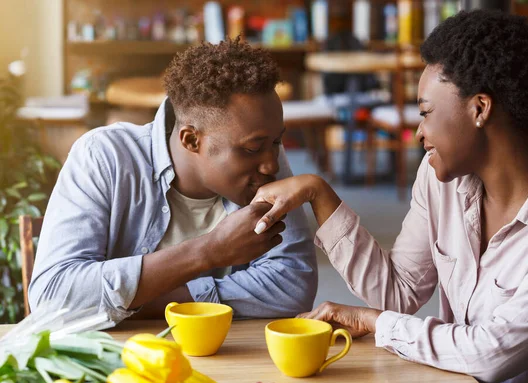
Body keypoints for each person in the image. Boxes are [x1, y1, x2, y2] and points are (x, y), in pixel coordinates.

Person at [251, 10, 528, 383]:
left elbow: (496, 352)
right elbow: (398, 293)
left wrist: (374, 322)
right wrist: (320, 194)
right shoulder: (439, 181)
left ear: (480, 108)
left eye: (425, 112)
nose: (419, 132)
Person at [29, 39, 317, 323]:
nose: (272, 164)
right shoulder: (104, 157)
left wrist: (130, 304)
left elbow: (292, 286)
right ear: (191, 140)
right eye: (252, 149)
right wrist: (208, 251)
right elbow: (52, 296)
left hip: (222, 360)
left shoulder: (262, 162)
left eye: (277, 142)